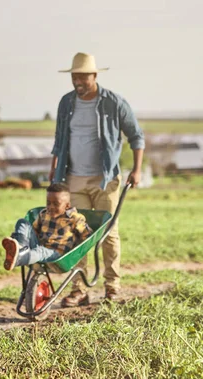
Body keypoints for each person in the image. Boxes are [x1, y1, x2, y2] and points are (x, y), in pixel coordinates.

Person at [49, 52, 145, 307]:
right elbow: (59, 141)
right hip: (74, 180)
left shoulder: (114, 102)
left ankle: (112, 287)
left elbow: (136, 136)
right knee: (76, 233)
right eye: (74, 76)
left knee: (108, 233)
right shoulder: (66, 103)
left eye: (83, 76)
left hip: (106, 180)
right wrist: (54, 172)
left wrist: (137, 170)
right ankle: (79, 289)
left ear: (94, 75)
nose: (78, 80)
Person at [2, 183, 92, 270]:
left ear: (67, 206)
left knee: (40, 252)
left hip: (57, 253)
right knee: (22, 222)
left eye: (56, 204)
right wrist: (22, 237)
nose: (51, 207)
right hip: (39, 246)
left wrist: (75, 249)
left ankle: (19, 258)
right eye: (48, 203)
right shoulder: (43, 214)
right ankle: (21, 248)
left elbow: (87, 236)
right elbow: (34, 230)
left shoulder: (75, 218)